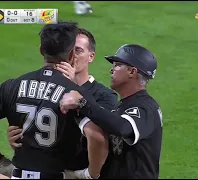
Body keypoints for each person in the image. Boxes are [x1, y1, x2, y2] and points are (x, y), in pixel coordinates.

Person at [0, 21, 107, 179]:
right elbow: (97, 137)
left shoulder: (12, 86)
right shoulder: (77, 95)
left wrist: (0, 161)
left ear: (41, 50)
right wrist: (91, 174)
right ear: (71, 54)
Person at [7, 27, 118, 178]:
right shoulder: (44, 87)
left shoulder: (105, 96)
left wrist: (73, 86)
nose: (72, 56)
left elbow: (99, 135)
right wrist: (21, 138)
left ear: (91, 56)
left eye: (78, 50)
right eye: (71, 50)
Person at [59, 44, 163, 179]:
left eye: (117, 65)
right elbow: (103, 123)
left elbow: (122, 127)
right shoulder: (123, 105)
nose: (111, 70)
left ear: (132, 71)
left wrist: (82, 103)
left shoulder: (146, 107)